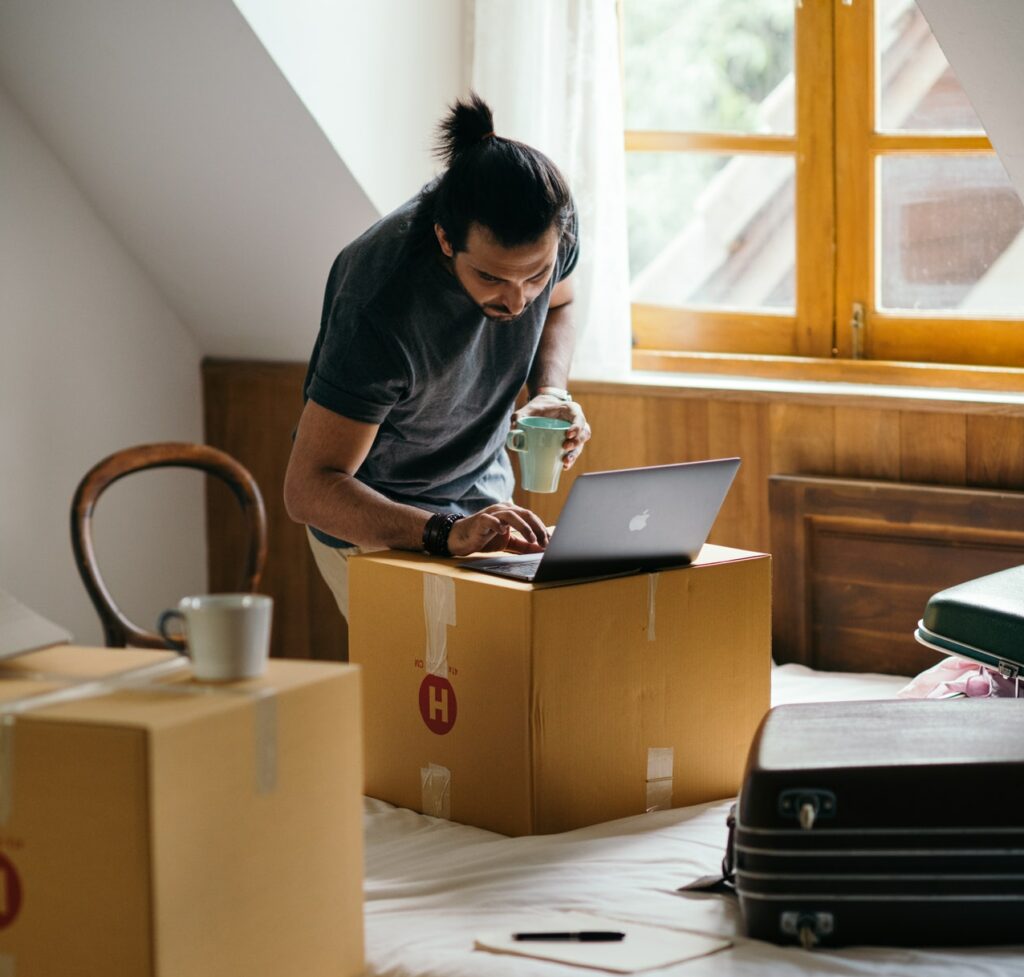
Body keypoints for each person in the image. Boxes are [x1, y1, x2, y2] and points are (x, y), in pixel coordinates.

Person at [284, 93, 591, 630]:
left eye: (534, 276)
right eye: (492, 278)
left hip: (481, 495)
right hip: (376, 523)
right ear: (445, 240)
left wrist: (551, 391)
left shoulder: (550, 231)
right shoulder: (380, 304)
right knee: (422, 701)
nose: (519, 302)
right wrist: (441, 531)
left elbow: (562, 301)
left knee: (499, 676)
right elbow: (310, 489)